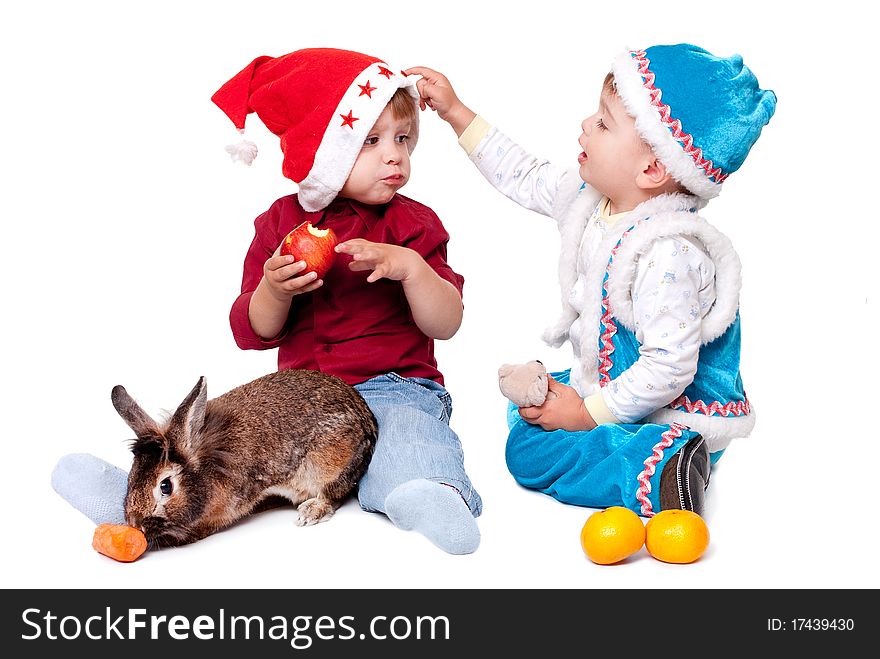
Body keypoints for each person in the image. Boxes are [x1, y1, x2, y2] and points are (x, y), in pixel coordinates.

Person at [52, 48, 482, 555]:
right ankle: (142, 502)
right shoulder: (281, 225)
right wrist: (274, 290)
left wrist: (413, 270)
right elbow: (252, 330)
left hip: (394, 389)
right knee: (214, 444)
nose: (396, 155)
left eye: (403, 139)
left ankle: (425, 489)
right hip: (296, 402)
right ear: (322, 149)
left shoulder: (417, 225)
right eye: (370, 141)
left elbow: (446, 320)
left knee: (406, 439)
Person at [405, 43, 776, 518]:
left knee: (528, 454)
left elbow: (670, 368)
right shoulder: (591, 199)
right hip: (620, 384)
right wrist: (456, 113)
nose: (585, 125)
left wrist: (584, 414)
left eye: (604, 123)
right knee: (526, 415)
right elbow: (523, 174)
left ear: (653, 168)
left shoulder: (668, 253)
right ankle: (644, 451)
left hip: (671, 406)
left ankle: (661, 466)